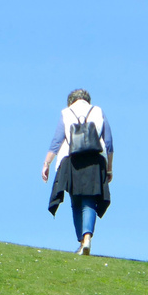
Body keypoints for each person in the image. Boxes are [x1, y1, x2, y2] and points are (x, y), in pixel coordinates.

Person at [42, 89, 113, 256]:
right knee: (90, 200)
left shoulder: (66, 113)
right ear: (87, 100)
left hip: (71, 160)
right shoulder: (98, 111)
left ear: (71, 101)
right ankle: (88, 238)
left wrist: (46, 163)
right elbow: (109, 142)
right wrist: (109, 168)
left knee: (76, 202)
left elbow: (57, 141)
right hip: (95, 159)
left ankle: (81, 242)